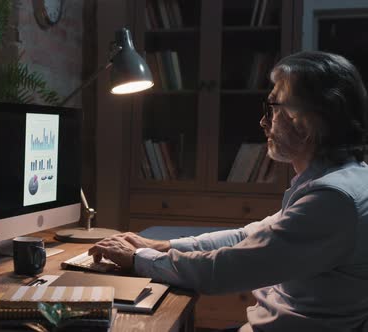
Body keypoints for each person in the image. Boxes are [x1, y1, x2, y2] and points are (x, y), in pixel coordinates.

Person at [88, 51, 368, 332]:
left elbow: (227, 270)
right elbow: (248, 236)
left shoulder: (334, 198)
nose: (263, 122)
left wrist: (137, 259)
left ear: (308, 121)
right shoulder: (340, 180)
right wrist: (162, 246)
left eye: (272, 107)